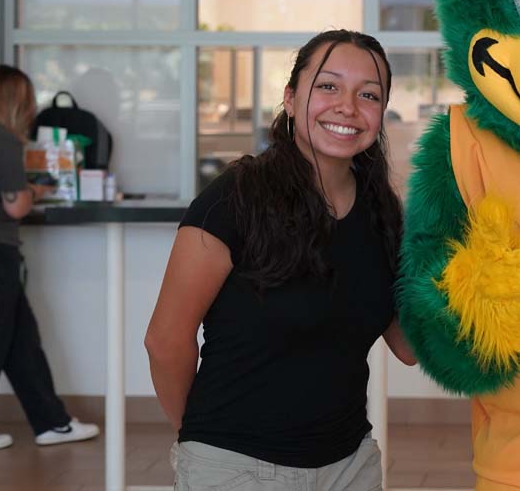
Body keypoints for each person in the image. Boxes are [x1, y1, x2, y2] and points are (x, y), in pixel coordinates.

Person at [145, 30, 415, 490]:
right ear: (291, 99)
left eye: (368, 94)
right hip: (237, 464)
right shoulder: (236, 199)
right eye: (328, 86)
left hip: (350, 464)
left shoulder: (383, 213)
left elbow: (408, 347)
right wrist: (199, 444)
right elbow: (165, 341)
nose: (347, 106)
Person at [0, 64, 101, 451]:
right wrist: (37, 192)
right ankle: (50, 422)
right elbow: (16, 206)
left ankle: (51, 423)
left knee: (22, 341)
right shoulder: (5, 141)